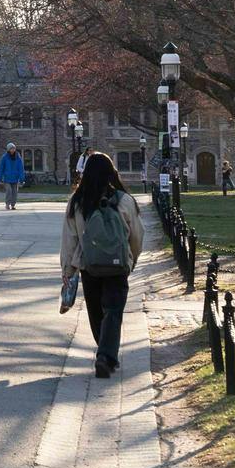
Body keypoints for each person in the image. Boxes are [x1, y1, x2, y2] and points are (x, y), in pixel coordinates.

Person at [61, 151, 145, 377]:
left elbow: (70, 240)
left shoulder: (77, 202)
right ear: (112, 173)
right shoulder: (125, 200)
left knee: (97, 312)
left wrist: (68, 270)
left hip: (89, 265)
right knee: (114, 311)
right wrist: (132, 259)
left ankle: (104, 352)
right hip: (117, 265)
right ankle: (106, 356)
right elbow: (137, 235)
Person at [0, 143, 26, 210]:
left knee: (14, 192)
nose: (13, 150)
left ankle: (13, 205)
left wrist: (22, 179)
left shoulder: (18, 157)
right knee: (9, 191)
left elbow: (21, 168)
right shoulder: (4, 157)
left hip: (15, 178)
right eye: (11, 148)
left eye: (14, 148)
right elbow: (1, 168)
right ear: (8, 149)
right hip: (7, 178)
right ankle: (7, 204)